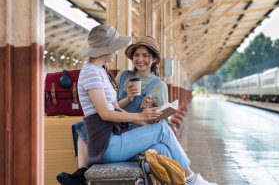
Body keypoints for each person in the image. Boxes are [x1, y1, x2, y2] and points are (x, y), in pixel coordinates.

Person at [57, 25, 216, 185]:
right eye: (115, 47)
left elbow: (114, 107)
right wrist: (140, 115)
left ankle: (185, 182)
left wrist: (141, 116)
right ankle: (192, 180)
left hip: (114, 137)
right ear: (107, 48)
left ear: (153, 59)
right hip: (106, 144)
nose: (117, 50)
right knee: (163, 130)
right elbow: (105, 113)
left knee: (163, 150)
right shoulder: (92, 72)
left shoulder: (100, 71)